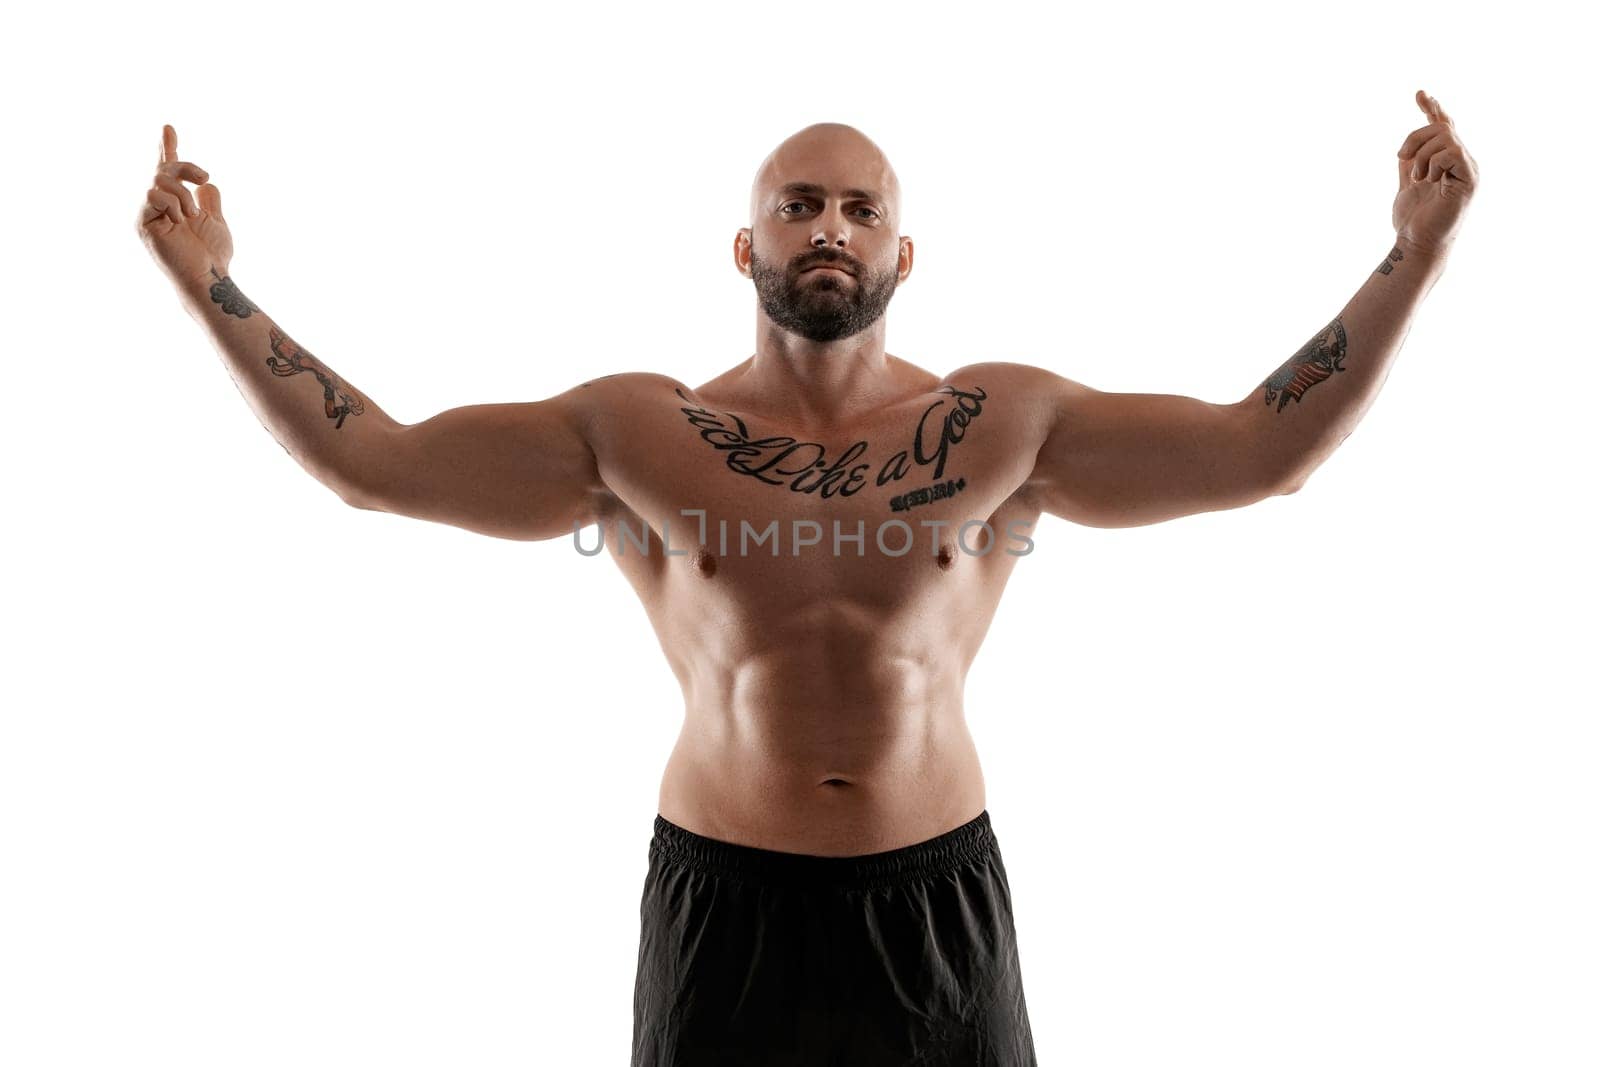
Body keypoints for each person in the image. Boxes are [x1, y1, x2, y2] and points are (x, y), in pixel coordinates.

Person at [136, 91, 1477, 1065]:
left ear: (901, 255)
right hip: (729, 910)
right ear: (747, 250)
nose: (829, 226)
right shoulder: (636, 431)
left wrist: (1413, 254)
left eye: (859, 208)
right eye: (797, 205)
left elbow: (1263, 447)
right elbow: (380, 460)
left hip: (935, 902)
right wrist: (214, 288)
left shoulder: (1007, 422)